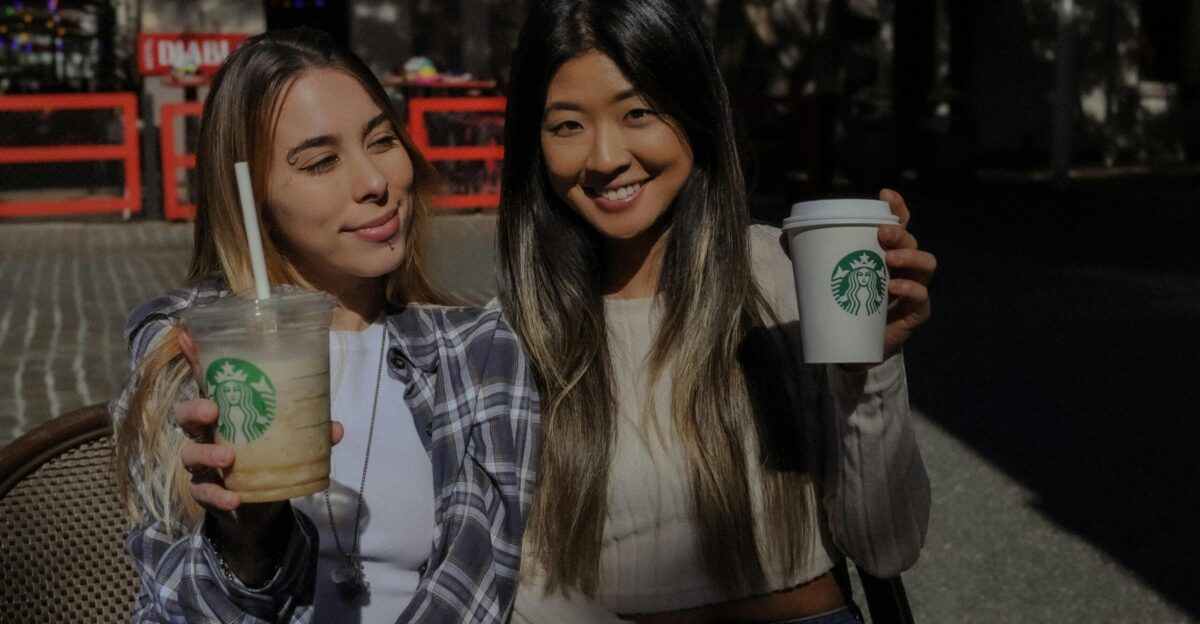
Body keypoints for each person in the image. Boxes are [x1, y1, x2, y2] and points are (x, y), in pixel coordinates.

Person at [496, 1, 935, 622]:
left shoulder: (787, 274)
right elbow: (517, 584)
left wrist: (871, 369)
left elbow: (887, 548)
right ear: (534, 143)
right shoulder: (511, 332)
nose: (604, 157)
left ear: (695, 110)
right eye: (567, 125)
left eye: (638, 112)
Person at [111, 28, 538, 623]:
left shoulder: (477, 353)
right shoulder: (191, 352)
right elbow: (170, 605)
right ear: (252, 198)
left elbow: (479, 582)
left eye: (382, 140)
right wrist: (247, 544)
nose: (374, 182)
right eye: (320, 162)